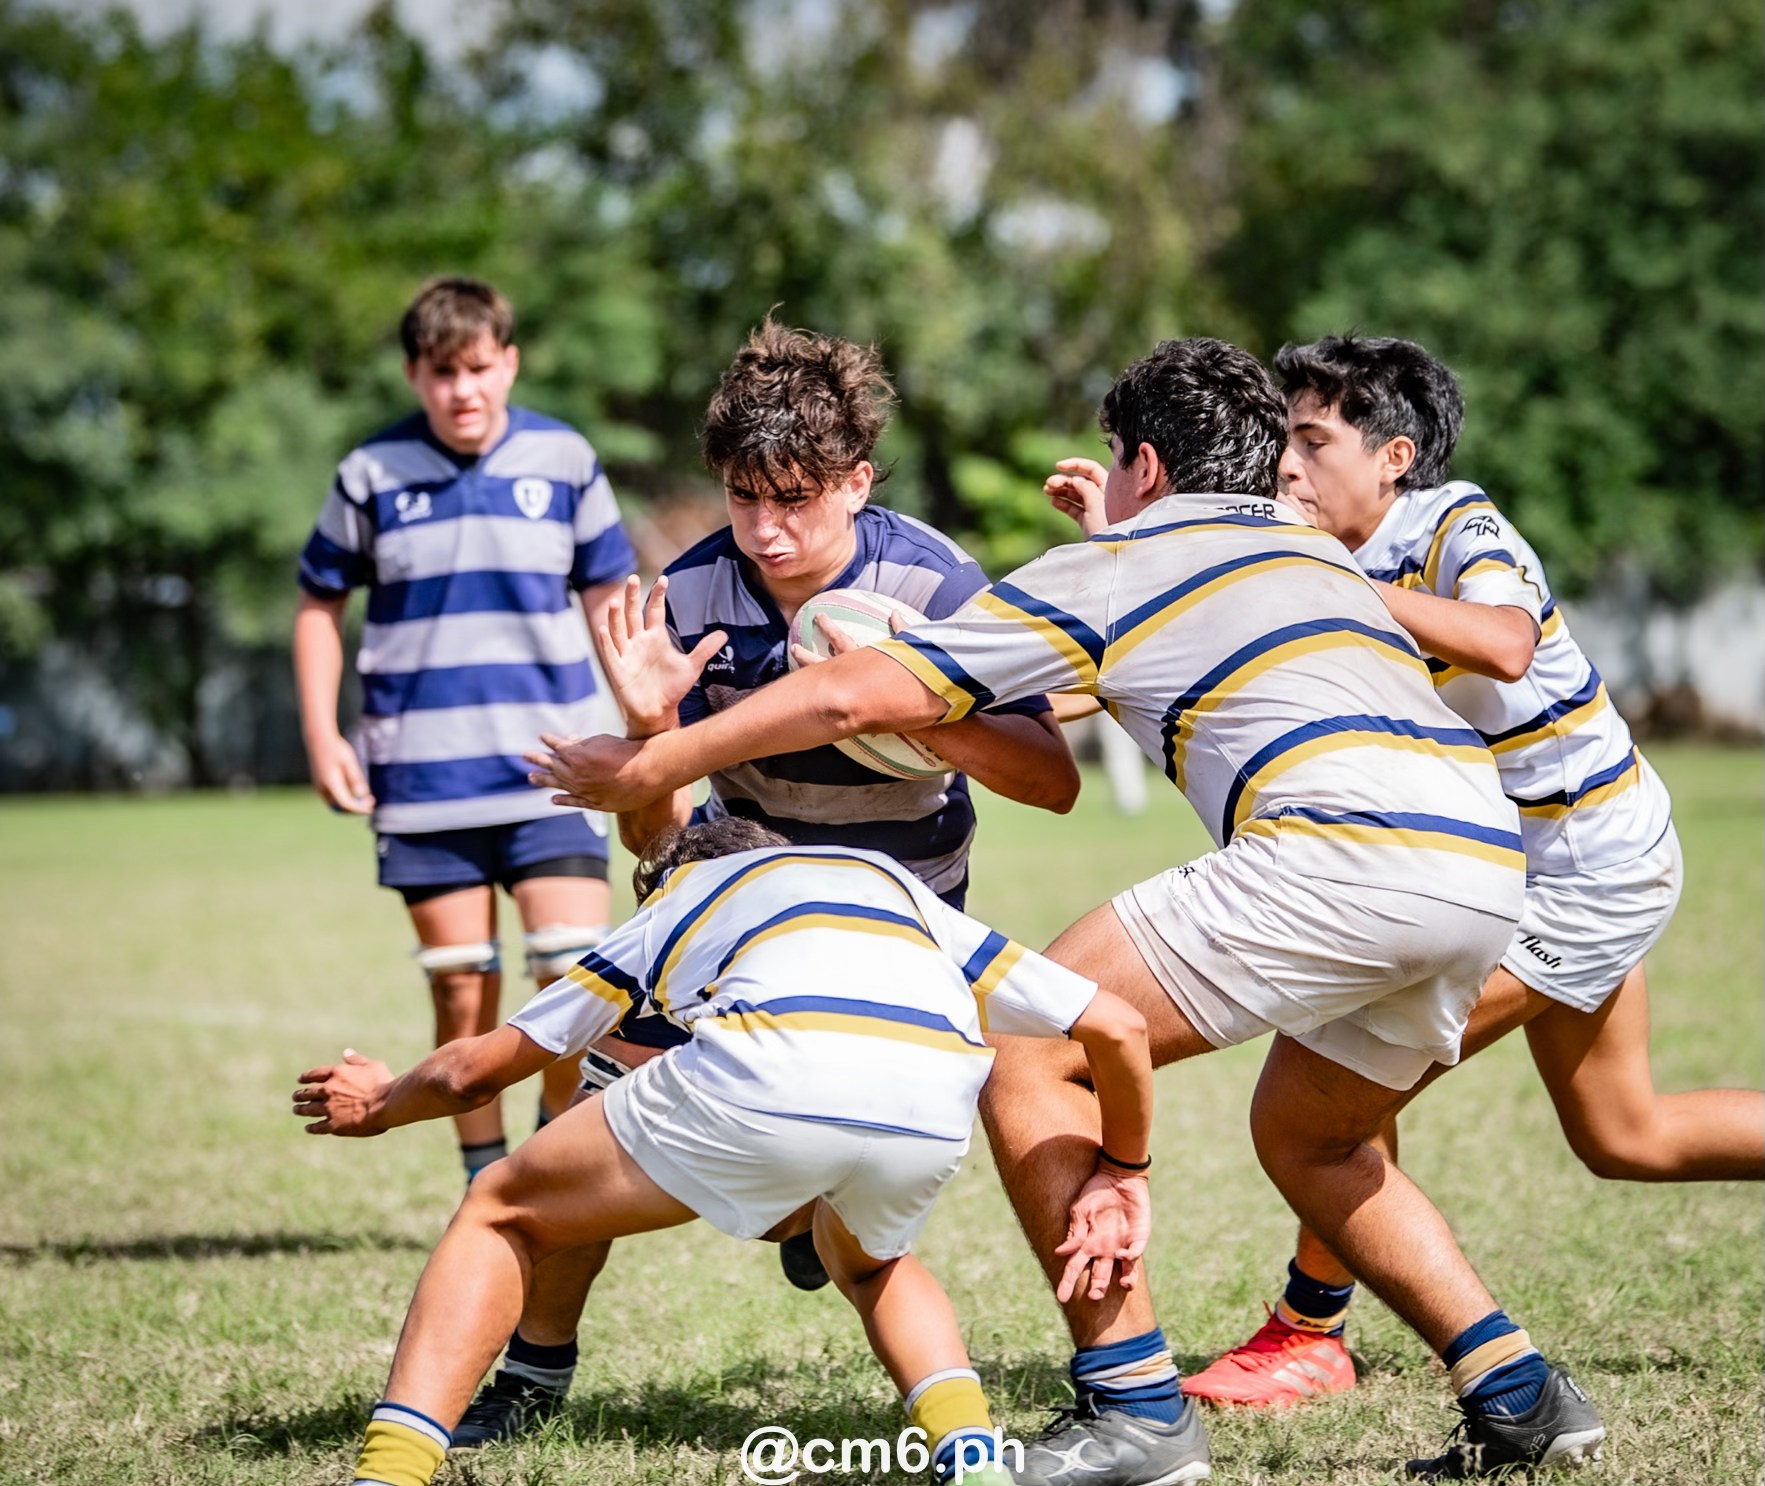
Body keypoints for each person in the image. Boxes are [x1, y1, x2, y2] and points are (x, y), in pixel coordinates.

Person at [528, 337, 1612, 1482]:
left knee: (1031, 1040)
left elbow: (852, 690)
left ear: (1143, 461)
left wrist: (649, 763)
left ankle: (1135, 1406)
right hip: (1484, 859)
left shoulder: (1120, 564)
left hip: (1340, 850)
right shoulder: (1308, 552)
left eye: (1115, 457)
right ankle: (1518, 1394)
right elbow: (1063, 705)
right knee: (1314, 1134)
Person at [448, 318, 1079, 1447]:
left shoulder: (935, 582)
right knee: (578, 1097)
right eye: (745, 498)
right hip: (737, 902)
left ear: (857, 479)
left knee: (862, 1188)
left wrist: (919, 704)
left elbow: (1051, 778)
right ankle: (535, 1371)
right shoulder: (692, 596)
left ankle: (1080, 1381)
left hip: (902, 914)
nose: (768, 530)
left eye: (794, 497)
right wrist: (648, 728)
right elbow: (652, 838)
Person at [1179, 334, 1765, 1411]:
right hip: (1507, 870)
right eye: (1283, 445)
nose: (1287, 468)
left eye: (1312, 441)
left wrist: (1332, 586)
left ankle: (1309, 1335)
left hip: (1585, 872)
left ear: (1395, 456)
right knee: (1625, 1135)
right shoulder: (1321, 560)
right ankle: (1313, 1333)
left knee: (1317, 1103)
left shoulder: (1452, 521)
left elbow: (1501, 641)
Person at [292, 817, 1157, 1486]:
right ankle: (972, 1459)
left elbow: (475, 1074)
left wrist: (377, 1103)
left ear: (669, 877)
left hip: (771, 1073)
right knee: (872, 1265)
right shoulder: (884, 881)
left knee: (503, 1211)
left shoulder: (679, 897)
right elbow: (1114, 1024)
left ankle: (389, 1472)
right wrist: (1123, 1169)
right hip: (933, 1102)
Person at [293, 276, 636, 1186]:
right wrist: (324, 734)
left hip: (555, 765)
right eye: (442, 372)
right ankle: (484, 1176)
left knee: (574, 978)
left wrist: (644, 724)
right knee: (460, 982)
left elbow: (611, 599)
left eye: (479, 368)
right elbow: (319, 604)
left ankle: (544, 1159)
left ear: (509, 362)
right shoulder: (370, 474)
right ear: (414, 374)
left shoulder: (564, 461)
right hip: (423, 776)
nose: (463, 390)